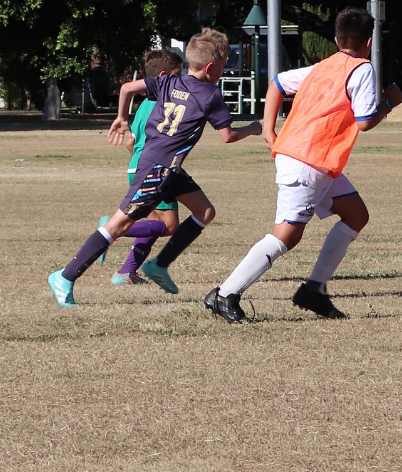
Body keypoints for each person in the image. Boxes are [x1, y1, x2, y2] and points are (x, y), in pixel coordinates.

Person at [205, 6, 402, 324]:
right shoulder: (362, 68)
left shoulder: (323, 66)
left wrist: (269, 130)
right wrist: (390, 101)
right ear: (368, 42)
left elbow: (278, 83)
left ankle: (313, 290)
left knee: (356, 215)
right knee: (286, 234)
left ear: (337, 39)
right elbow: (364, 121)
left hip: (315, 159)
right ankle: (226, 294)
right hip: (308, 160)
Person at [48, 29, 262, 307]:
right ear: (210, 67)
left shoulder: (169, 82)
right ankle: (65, 277)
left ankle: (159, 265)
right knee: (119, 224)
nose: (223, 71)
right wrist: (253, 129)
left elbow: (126, 88)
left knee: (205, 211)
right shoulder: (210, 94)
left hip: (167, 168)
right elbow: (228, 136)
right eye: (223, 66)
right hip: (157, 170)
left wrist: (122, 118)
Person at [103, 48, 184, 286]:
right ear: (163, 76)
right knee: (169, 225)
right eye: (178, 75)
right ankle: (111, 229)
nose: (181, 81)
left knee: (153, 224)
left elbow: (131, 142)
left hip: (136, 168)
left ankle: (126, 272)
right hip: (155, 169)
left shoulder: (143, 106)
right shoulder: (166, 105)